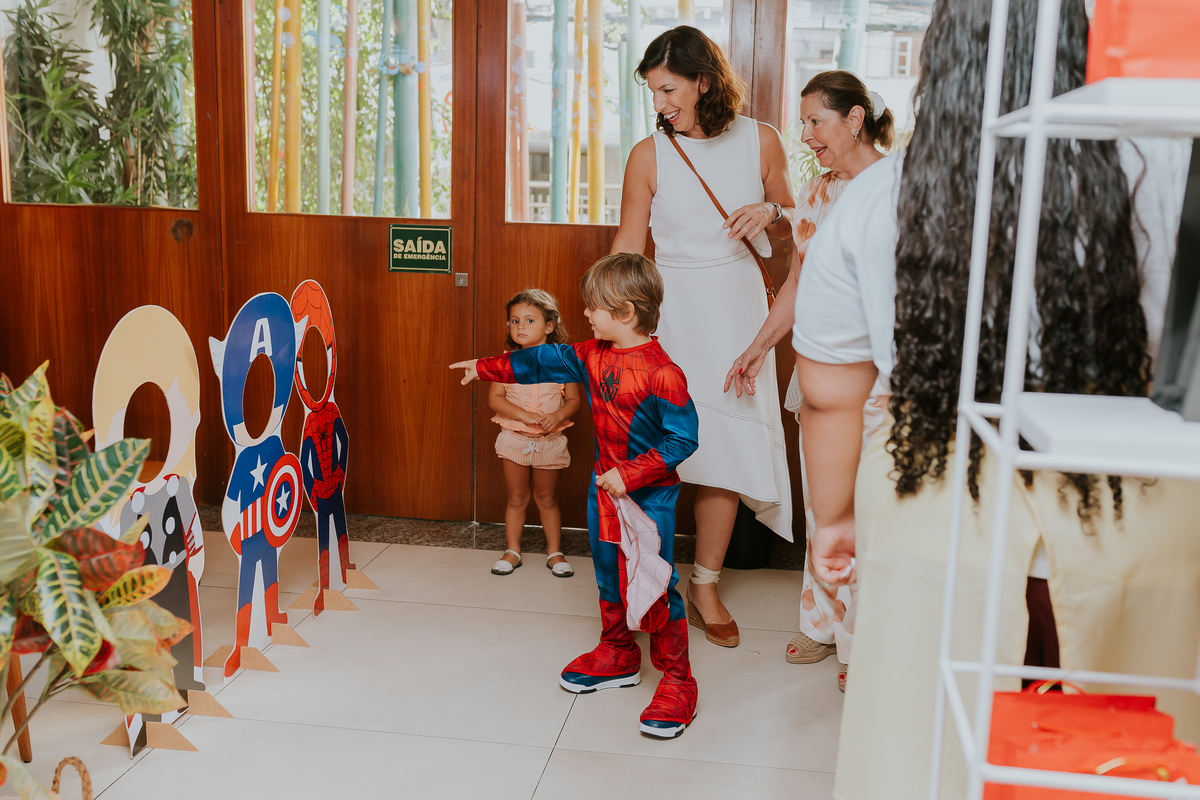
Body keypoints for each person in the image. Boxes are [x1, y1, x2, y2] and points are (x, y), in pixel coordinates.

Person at [792, 1, 1200, 798]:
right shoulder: (1170, 167)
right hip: (1129, 511)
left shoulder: (876, 199)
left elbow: (831, 394)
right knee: (1123, 746)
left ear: (935, 66)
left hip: (935, 507)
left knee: (933, 743)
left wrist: (833, 517)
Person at [451, 253, 701, 738]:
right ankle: (618, 653)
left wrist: (629, 475)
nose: (585, 314)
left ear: (625, 312)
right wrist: (484, 367)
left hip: (647, 502)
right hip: (602, 493)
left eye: (594, 306)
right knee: (608, 572)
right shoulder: (589, 353)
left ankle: (677, 680)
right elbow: (537, 359)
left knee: (653, 582)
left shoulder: (662, 372)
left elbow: (682, 439)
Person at [612, 26, 796, 648]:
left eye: (669, 89)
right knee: (658, 449)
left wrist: (772, 213)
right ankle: (647, 580)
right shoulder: (648, 154)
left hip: (738, 308)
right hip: (670, 309)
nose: (660, 103)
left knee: (722, 445)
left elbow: (802, 221)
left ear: (704, 82)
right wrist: (613, 325)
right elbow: (628, 249)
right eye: (653, 91)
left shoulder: (760, 141)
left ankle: (706, 581)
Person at [723, 70, 893, 682]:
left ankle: (864, 643)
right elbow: (796, 284)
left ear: (854, 119)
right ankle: (823, 625)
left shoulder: (897, 188)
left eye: (816, 121)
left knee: (868, 509)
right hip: (820, 376)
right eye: (802, 124)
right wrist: (758, 347)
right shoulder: (820, 193)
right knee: (825, 507)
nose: (806, 136)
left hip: (878, 382)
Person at [486, 290, 581, 578]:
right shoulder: (506, 362)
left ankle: (555, 553)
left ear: (549, 326)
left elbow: (574, 400)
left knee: (546, 497)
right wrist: (525, 416)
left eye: (529, 320)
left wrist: (556, 416)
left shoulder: (563, 362)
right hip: (514, 438)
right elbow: (495, 398)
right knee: (516, 497)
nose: (520, 327)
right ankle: (512, 551)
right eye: (514, 321)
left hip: (549, 442)